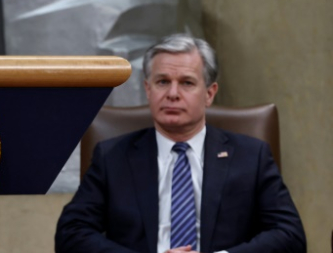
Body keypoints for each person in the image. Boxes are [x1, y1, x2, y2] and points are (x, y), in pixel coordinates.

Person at [56, 34, 306, 253]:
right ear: (148, 89)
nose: (173, 93)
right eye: (162, 82)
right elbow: (71, 234)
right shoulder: (113, 157)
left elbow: (290, 236)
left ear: (209, 93)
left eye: (186, 83)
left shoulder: (251, 156)